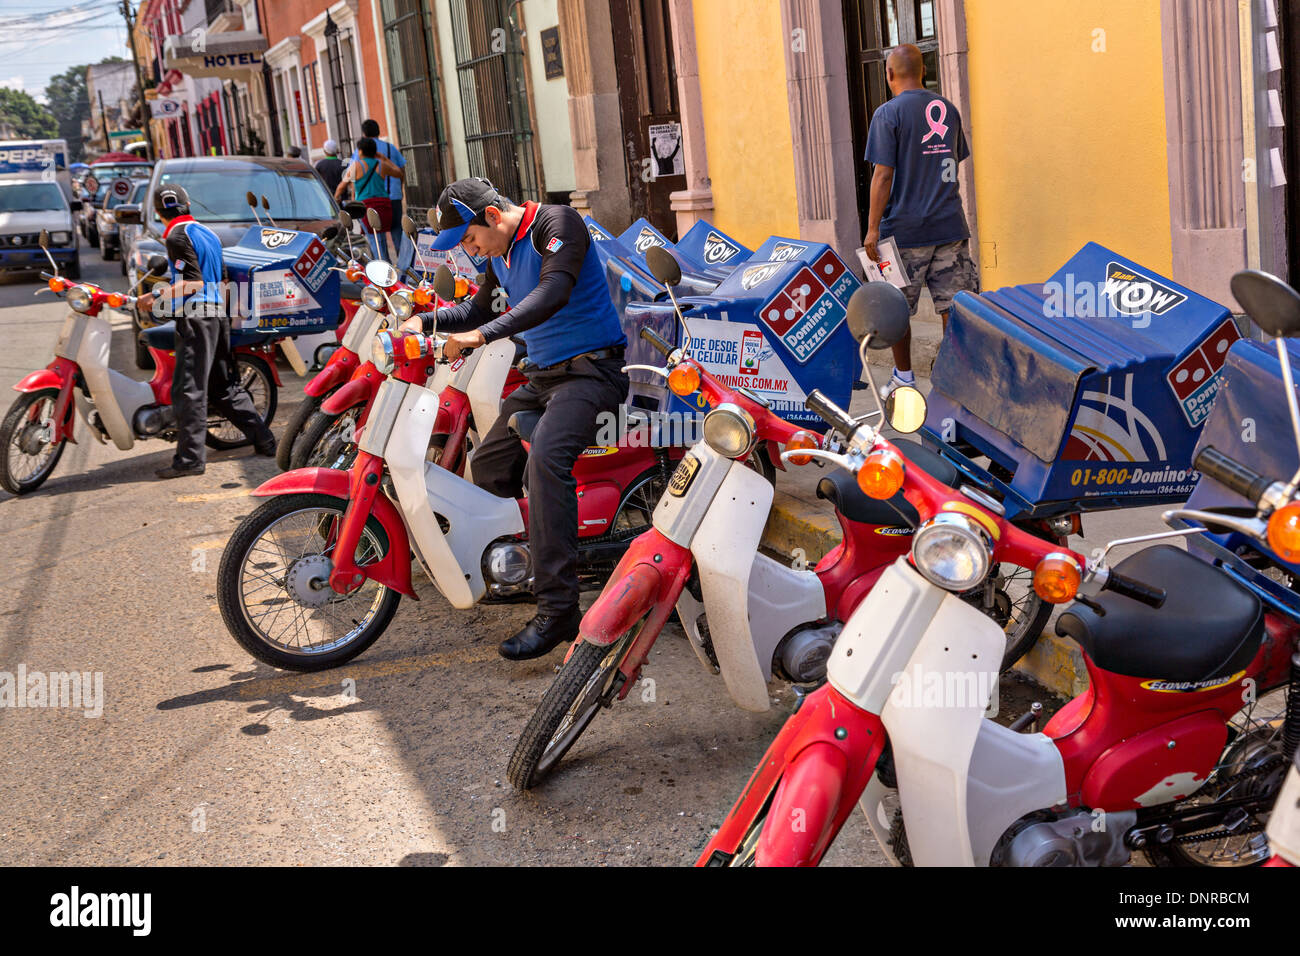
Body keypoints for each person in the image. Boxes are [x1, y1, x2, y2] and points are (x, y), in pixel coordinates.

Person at [404, 178, 628, 661]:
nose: (469, 250)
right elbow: (477, 309)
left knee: (547, 462)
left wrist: (481, 337)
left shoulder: (557, 223)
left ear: (489, 216)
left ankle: (559, 608)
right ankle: (522, 567)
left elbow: (552, 293)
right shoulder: (498, 255)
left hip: (592, 373)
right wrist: (424, 322)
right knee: (489, 466)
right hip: (544, 377)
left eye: (468, 238)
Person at [136, 184, 276, 478]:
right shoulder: (207, 233)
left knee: (189, 389)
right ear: (187, 206)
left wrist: (156, 298)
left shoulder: (176, 236)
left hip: (197, 317)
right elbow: (223, 279)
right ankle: (264, 439)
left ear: (159, 213)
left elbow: (192, 283)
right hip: (217, 315)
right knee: (223, 387)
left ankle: (189, 460)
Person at [862, 43, 977, 396]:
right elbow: (953, 161)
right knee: (954, 307)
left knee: (898, 309)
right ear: (923, 71)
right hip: (950, 226)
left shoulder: (887, 114)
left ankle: (904, 378)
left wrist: (872, 228)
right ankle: (956, 381)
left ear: (889, 74)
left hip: (905, 232)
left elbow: (883, 176)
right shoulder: (949, 109)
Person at [337, 137, 402, 260]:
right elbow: (398, 172)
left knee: (374, 240)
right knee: (381, 235)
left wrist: (336, 199)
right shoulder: (382, 165)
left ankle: (382, 268)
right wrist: (384, 158)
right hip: (384, 206)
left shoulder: (355, 166)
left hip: (365, 207)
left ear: (360, 151)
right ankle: (386, 266)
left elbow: (341, 187)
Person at [350, 119, 406, 257]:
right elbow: (401, 170)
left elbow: (353, 175)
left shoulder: (360, 151)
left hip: (371, 199)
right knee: (397, 230)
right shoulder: (390, 147)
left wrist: (354, 198)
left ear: (363, 133)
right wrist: (400, 188)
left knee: (376, 235)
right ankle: (404, 267)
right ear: (378, 131)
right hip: (394, 196)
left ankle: (384, 267)